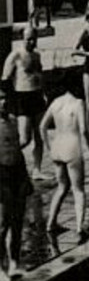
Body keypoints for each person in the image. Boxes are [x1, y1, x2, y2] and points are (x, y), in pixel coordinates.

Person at [41, 83, 89, 244]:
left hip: (57, 147)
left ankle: (50, 223)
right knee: (78, 190)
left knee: (61, 187)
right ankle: (80, 228)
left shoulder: (56, 102)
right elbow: (84, 131)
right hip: (72, 147)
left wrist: (48, 147)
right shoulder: (78, 103)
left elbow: (42, 127)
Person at [2, 30, 46, 177]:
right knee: (25, 139)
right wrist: (7, 100)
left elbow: (39, 75)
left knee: (40, 136)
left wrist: (43, 93)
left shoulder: (36, 55)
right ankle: (6, 160)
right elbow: (5, 79)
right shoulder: (16, 55)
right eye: (29, 40)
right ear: (22, 39)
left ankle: (37, 170)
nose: (32, 42)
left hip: (37, 97)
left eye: (34, 39)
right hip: (22, 98)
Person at [0, 88, 31, 281]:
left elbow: (18, 149)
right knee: (3, 223)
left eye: (4, 98)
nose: (3, 102)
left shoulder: (12, 120)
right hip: (0, 173)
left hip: (17, 171)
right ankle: (0, 266)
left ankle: (14, 262)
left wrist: (26, 177)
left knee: (18, 221)